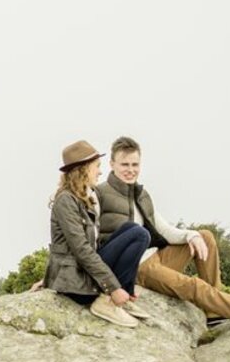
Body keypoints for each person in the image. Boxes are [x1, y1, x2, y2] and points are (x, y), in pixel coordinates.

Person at [95, 135, 230, 322]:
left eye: (135, 164)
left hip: (154, 258)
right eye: (124, 164)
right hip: (136, 270)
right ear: (112, 164)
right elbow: (91, 240)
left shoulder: (141, 195)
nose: (130, 170)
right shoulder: (100, 194)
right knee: (195, 286)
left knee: (205, 237)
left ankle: (214, 311)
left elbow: (164, 230)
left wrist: (192, 236)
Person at [42, 139, 150, 329]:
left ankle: (124, 296)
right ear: (83, 169)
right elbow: (82, 250)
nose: (100, 172)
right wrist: (113, 287)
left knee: (133, 230)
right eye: (97, 167)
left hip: (83, 272)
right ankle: (108, 299)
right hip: (74, 283)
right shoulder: (65, 201)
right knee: (138, 234)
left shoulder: (84, 198)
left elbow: (94, 246)